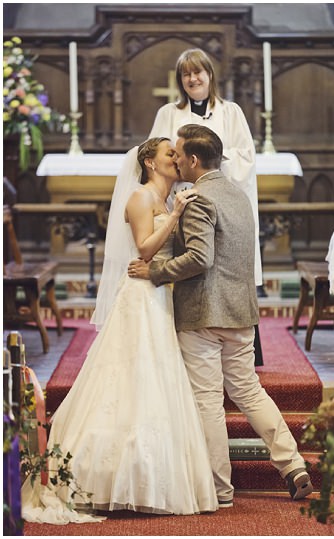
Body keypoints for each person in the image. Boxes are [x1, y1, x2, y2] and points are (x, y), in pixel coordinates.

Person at [22, 138, 218, 523]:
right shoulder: (140, 198)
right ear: (149, 162)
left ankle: (150, 477)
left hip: (161, 294)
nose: (176, 159)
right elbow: (144, 251)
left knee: (158, 379)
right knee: (132, 377)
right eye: (169, 154)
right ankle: (107, 478)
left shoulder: (166, 198)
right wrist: (176, 218)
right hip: (141, 295)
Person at [128, 125, 312, 506]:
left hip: (203, 313)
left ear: (193, 160)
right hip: (240, 311)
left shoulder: (196, 199)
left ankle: (220, 490)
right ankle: (293, 465)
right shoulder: (239, 196)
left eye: (178, 154)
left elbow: (200, 258)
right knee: (248, 391)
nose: (176, 160)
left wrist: (156, 272)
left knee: (209, 401)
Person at [148, 48, 262, 289]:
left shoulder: (231, 112)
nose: (192, 79)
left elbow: (246, 157)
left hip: (220, 201)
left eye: (197, 72)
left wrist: (211, 157)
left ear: (210, 74)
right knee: (188, 259)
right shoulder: (168, 113)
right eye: (186, 74)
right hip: (181, 198)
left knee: (219, 265)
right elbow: (156, 157)